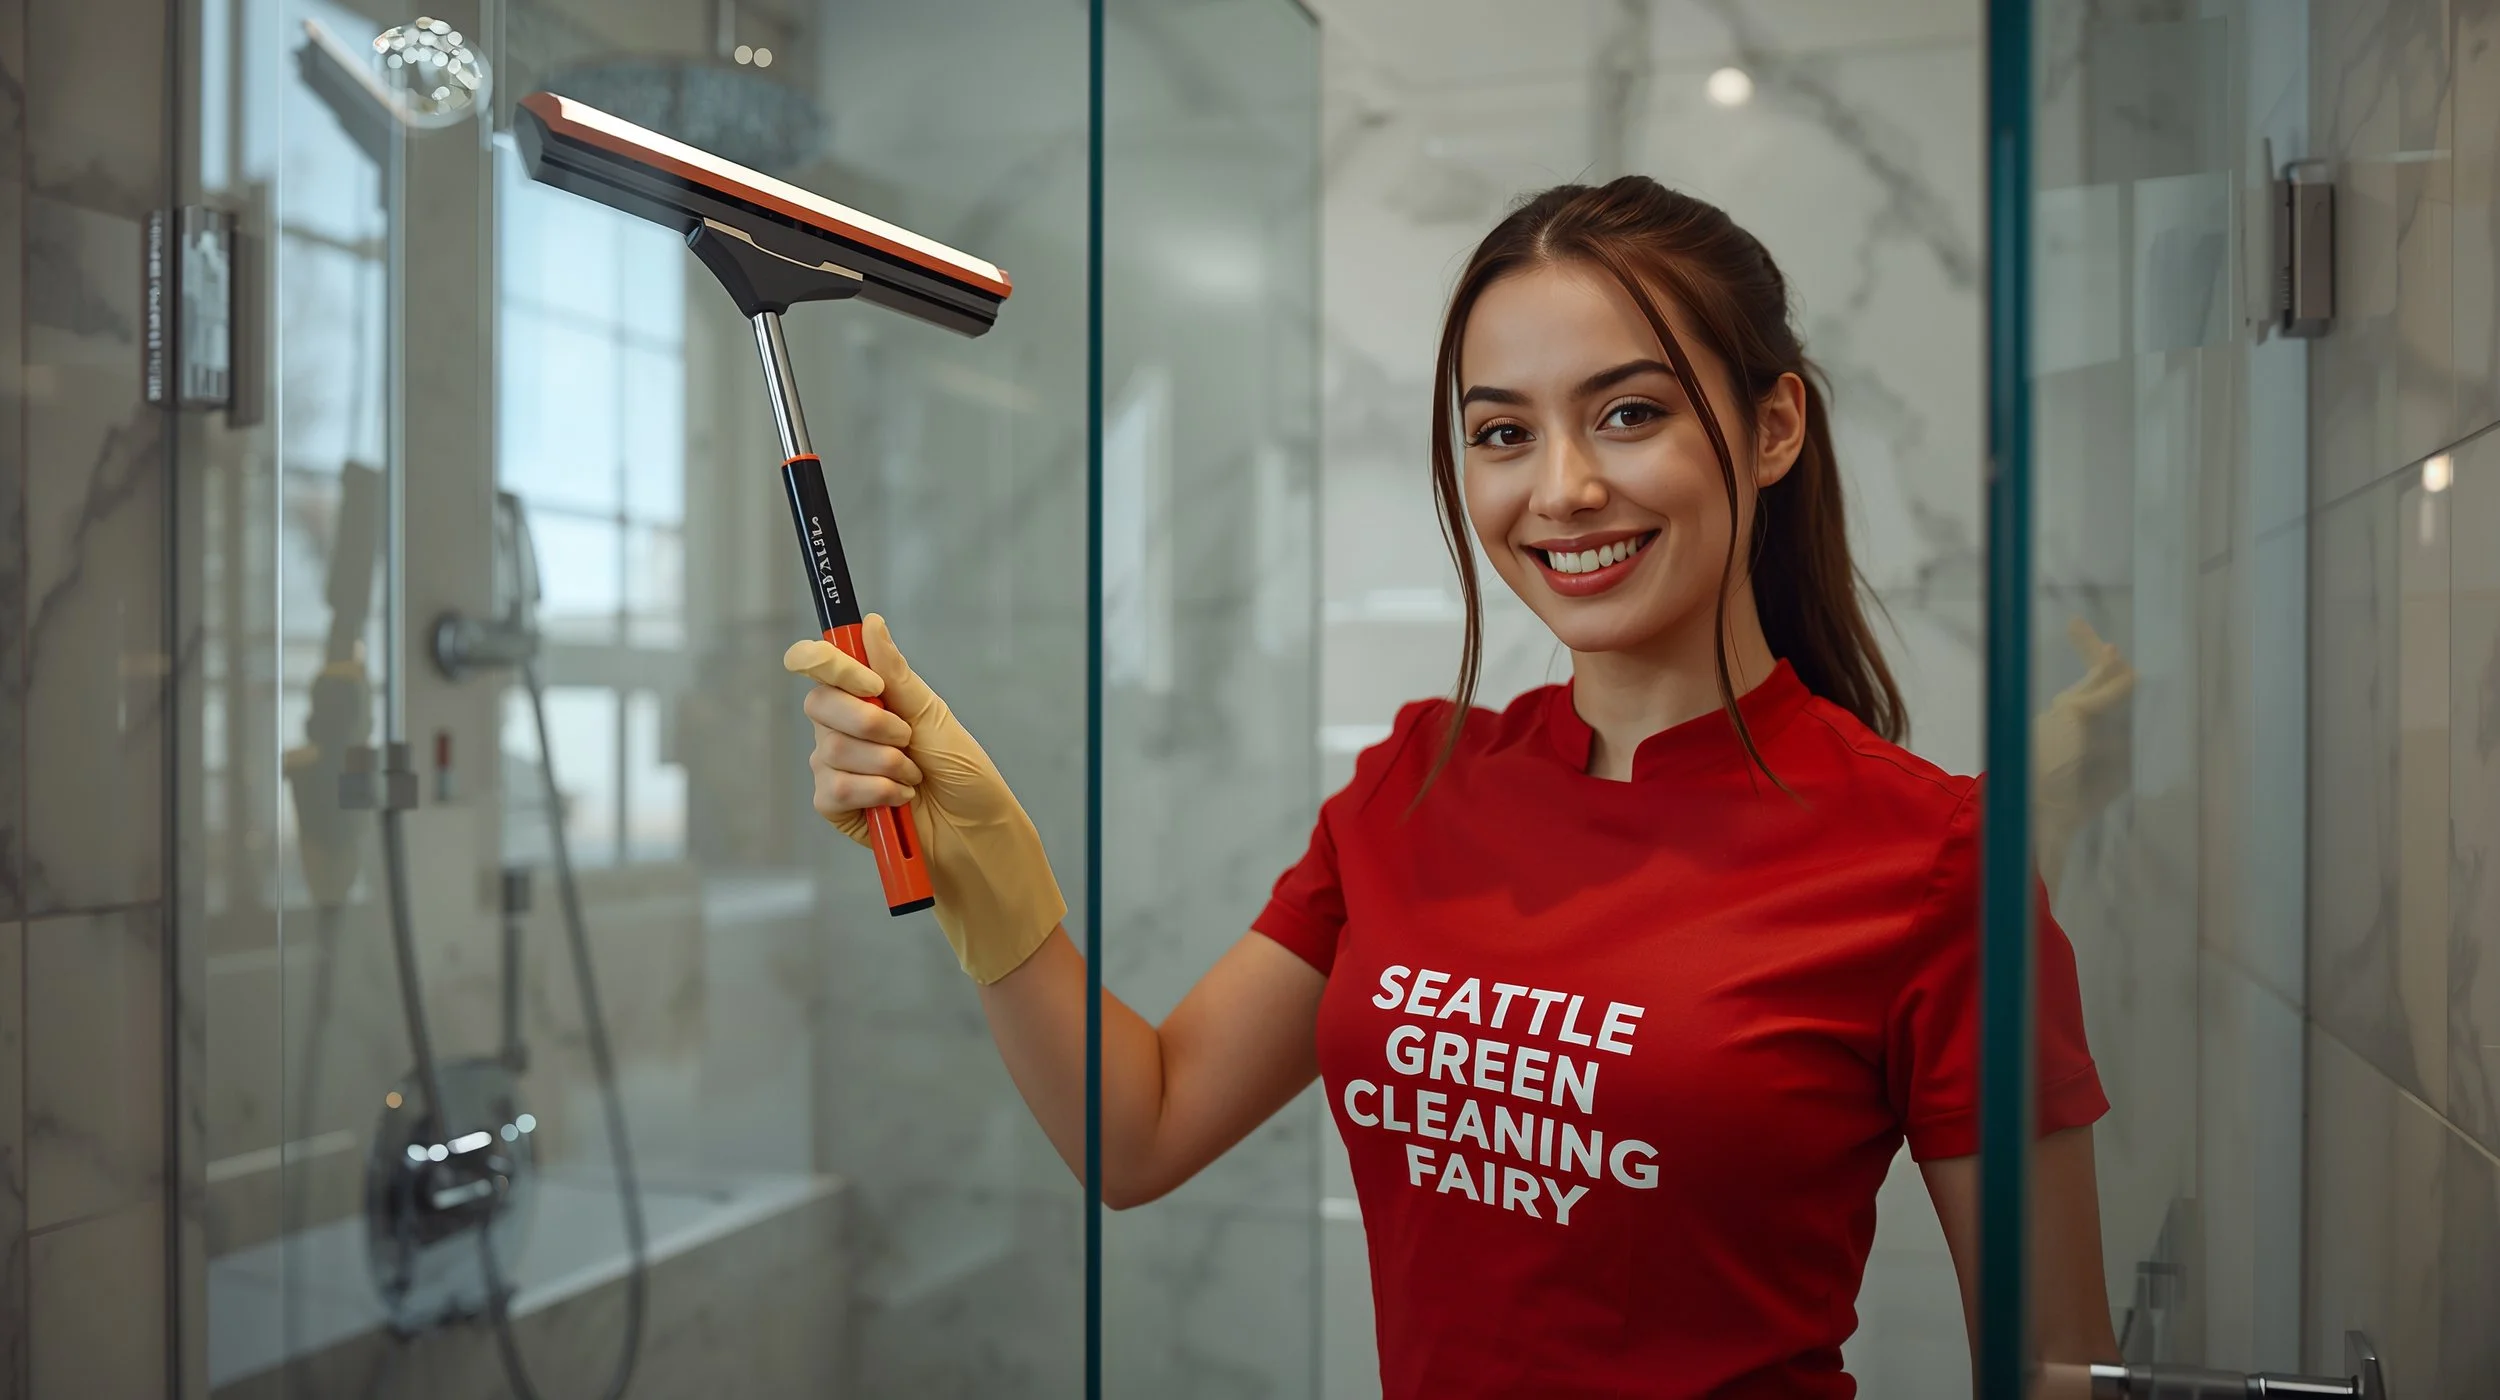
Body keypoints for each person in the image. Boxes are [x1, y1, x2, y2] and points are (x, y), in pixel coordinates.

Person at [786, 177, 2120, 1398]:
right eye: (1501, 432)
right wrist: (998, 888)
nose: (1564, 488)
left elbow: (2061, 1368)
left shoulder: (1941, 865)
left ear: (1773, 428)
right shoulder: (1415, 785)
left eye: (1631, 413)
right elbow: (1140, 1130)